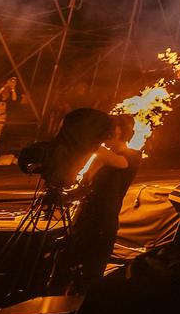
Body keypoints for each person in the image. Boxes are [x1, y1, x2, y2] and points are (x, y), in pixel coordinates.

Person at [58, 113, 140, 292]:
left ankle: (84, 303)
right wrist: (66, 195)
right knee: (65, 266)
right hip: (84, 219)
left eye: (108, 128)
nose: (104, 133)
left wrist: (88, 139)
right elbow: (85, 186)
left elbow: (118, 162)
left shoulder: (132, 156)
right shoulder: (100, 157)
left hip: (103, 222)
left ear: (119, 131)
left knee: (92, 273)